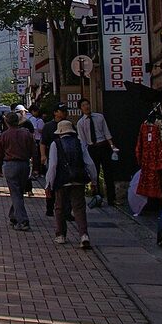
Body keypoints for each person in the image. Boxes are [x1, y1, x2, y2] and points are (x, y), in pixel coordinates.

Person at [46, 120, 98, 249]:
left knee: (59, 207)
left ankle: (61, 235)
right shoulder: (80, 143)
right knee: (79, 208)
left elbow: (52, 165)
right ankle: (84, 235)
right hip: (78, 179)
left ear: (60, 133)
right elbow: (89, 163)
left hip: (62, 180)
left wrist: (49, 184)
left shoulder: (55, 144)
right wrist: (94, 180)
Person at [0, 111, 39, 231]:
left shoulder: (4, 135)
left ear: (6, 122)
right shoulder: (26, 134)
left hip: (10, 165)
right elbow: (34, 152)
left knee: (16, 193)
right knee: (19, 192)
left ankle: (23, 220)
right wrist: (36, 168)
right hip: (24, 165)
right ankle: (13, 216)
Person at [76, 99, 118, 207]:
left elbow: (106, 132)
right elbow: (82, 140)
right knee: (94, 173)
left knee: (108, 172)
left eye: (87, 104)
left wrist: (112, 146)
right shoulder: (80, 123)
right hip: (92, 148)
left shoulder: (99, 117)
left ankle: (111, 198)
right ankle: (97, 198)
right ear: (81, 108)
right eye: (84, 105)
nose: (86, 107)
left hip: (103, 145)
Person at [41, 103, 70, 217]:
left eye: (64, 111)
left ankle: (67, 210)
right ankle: (50, 207)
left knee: (67, 184)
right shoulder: (48, 126)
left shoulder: (69, 125)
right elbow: (43, 142)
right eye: (61, 111)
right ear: (55, 112)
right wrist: (43, 155)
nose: (64, 113)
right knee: (51, 181)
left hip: (67, 160)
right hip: (51, 156)